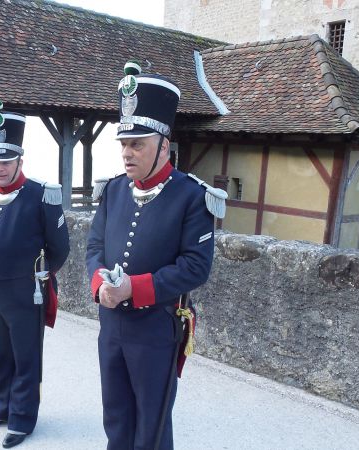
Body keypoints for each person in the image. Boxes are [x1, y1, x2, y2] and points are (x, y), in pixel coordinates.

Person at [86, 61, 227, 450]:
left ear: (164, 145)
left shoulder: (192, 196)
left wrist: (135, 288)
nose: (127, 154)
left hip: (155, 330)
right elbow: (94, 246)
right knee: (115, 418)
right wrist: (101, 283)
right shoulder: (114, 190)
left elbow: (196, 267)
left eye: (138, 144)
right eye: (124, 144)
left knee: (152, 424)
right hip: (111, 324)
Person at [0, 98, 70, 448]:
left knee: (26, 355)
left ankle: (23, 417)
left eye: (6, 161)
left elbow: (60, 248)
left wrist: (40, 279)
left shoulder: (41, 196)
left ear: (19, 160)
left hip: (25, 289)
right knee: (0, 352)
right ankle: (2, 407)